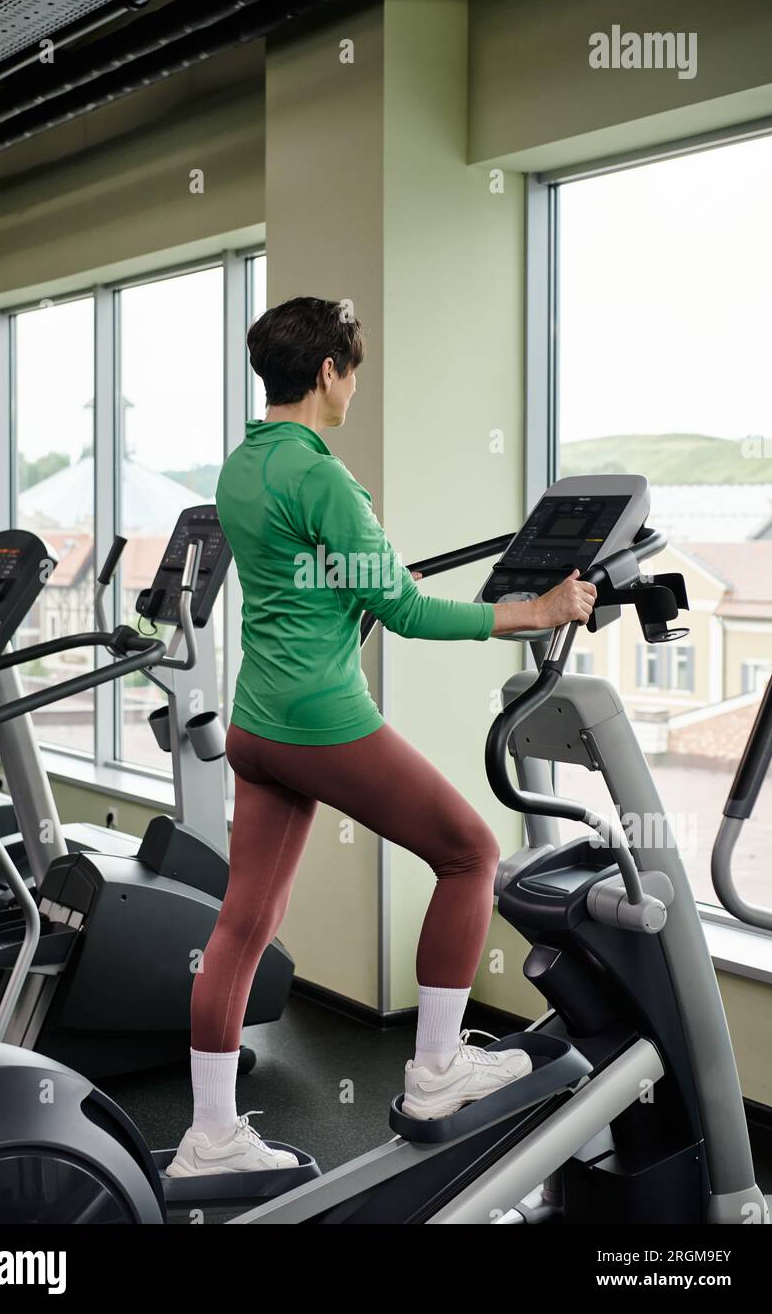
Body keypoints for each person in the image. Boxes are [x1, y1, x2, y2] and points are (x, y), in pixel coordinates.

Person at [167, 297, 597, 1178]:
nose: (356, 387)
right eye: (353, 370)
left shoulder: (243, 467)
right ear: (329, 372)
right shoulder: (323, 477)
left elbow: (307, 581)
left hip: (258, 723)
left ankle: (209, 1137)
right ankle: (438, 1067)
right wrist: (535, 612)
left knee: (245, 920)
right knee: (471, 852)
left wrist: (349, 579)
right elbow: (401, 608)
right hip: (320, 719)